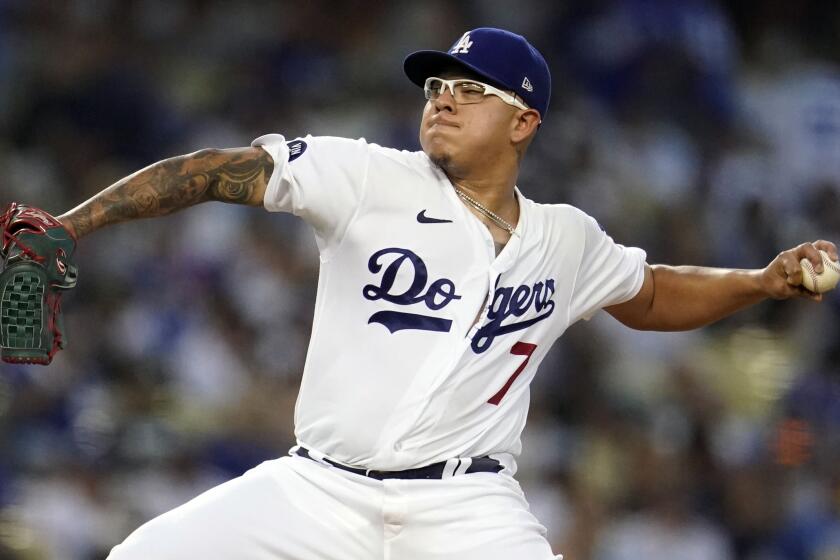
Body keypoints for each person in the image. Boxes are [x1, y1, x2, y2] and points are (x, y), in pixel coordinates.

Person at [53, 27, 835, 560]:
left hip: (466, 510)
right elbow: (213, 171)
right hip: (317, 488)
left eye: (470, 89)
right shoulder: (366, 176)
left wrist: (761, 282)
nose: (442, 98)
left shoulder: (565, 238)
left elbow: (655, 293)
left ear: (524, 120)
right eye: (436, 85)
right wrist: (73, 224)